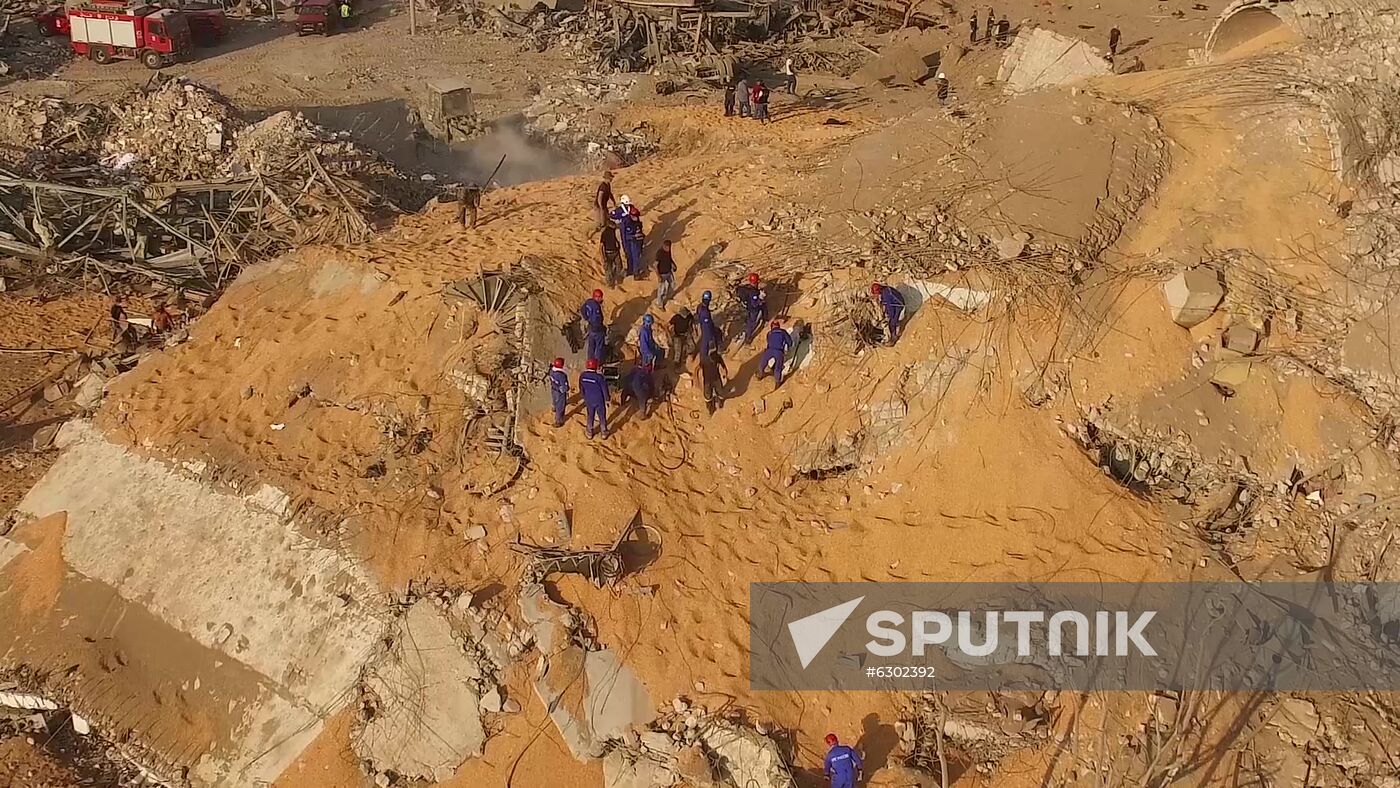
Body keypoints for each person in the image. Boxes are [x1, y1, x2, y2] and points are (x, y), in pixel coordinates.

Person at [611, 195, 645, 278]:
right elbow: (612, 215)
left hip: (632, 236)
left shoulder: (632, 210)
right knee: (629, 253)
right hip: (626, 236)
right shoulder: (620, 212)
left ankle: (635, 271)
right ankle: (632, 270)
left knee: (635, 254)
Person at [579, 358, 609, 439]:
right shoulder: (599, 377)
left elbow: (581, 388)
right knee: (601, 415)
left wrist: (583, 396)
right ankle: (604, 432)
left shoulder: (583, 376)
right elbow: (604, 389)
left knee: (590, 415)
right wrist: (607, 399)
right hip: (599, 400)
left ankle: (589, 432)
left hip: (588, 399)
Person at [758, 319, 793, 387]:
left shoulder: (769, 333)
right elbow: (789, 342)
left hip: (769, 350)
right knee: (778, 366)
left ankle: (760, 374)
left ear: (772, 327)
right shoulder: (783, 332)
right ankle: (777, 382)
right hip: (779, 351)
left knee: (763, 362)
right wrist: (788, 347)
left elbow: (768, 342)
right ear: (778, 326)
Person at [736, 272, 767, 346]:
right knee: (752, 323)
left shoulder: (747, 288)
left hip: (748, 306)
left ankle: (765, 318)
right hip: (753, 309)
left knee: (764, 306)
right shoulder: (753, 293)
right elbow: (755, 304)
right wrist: (760, 298)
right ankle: (748, 338)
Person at [696, 342, 728, 414]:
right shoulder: (704, 358)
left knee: (720, 392)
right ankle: (710, 408)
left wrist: (725, 371)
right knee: (708, 395)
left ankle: (720, 403)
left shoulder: (716, 356)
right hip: (707, 381)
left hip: (716, 379)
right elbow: (698, 368)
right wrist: (697, 380)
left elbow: (722, 364)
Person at [582, 289, 607, 362]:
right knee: (599, 346)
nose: (601, 299)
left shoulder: (588, 302)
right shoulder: (596, 307)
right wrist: (601, 327)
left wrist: (587, 318)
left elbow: (582, 309)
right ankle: (597, 363)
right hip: (597, 329)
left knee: (591, 346)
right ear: (596, 297)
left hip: (591, 328)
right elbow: (597, 319)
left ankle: (590, 362)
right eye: (600, 297)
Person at [548, 358, 569, 428]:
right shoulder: (562, 375)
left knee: (554, 400)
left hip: (554, 389)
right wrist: (566, 389)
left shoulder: (551, 371)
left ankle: (553, 407)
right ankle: (558, 421)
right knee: (560, 406)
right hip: (560, 392)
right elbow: (564, 386)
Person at [655, 240, 677, 308]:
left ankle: (669, 297)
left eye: (669, 247)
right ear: (664, 246)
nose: (668, 249)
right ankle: (660, 304)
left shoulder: (668, 251)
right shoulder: (659, 253)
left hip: (669, 271)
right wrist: (658, 276)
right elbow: (655, 265)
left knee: (672, 284)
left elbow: (670, 259)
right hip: (662, 274)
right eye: (667, 247)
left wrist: (673, 265)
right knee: (662, 289)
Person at [697, 290, 720, 356]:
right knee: (706, 340)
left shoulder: (700, 306)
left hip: (703, 324)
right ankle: (704, 355)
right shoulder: (705, 312)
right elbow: (707, 324)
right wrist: (711, 332)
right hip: (706, 327)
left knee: (716, 333)